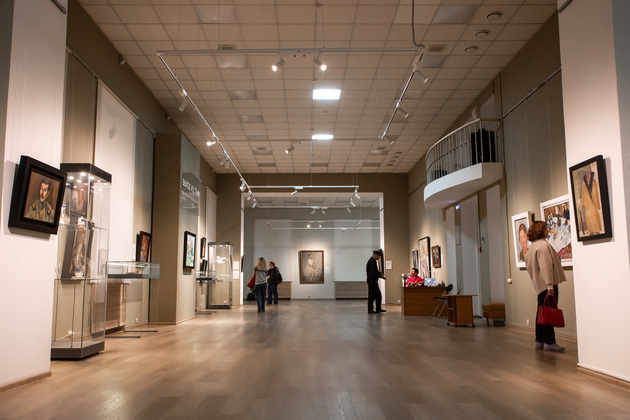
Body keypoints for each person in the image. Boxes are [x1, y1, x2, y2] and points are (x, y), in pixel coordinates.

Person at [525, 221, 567, 352]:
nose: (548, 230)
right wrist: (550, 286)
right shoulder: (543, 246)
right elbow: (546, 266)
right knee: (549, 312)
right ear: (541, 230)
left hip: (539, 286)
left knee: (541, 312)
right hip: (547, 285)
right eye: (546, 228)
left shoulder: (532, 247)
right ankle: (549, 341)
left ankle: (539, 340)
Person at [366, 250, 386, 314]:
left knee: (378, 295)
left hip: (373, 281)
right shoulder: (371, 262)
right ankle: (370, 309)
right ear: (376, 256)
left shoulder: (373, 261)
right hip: (372, 281)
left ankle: (378, 308)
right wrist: (380, 275)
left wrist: (380, 275)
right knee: (372, 296)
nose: (379, 258)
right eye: (379, 256)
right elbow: (373, 273)